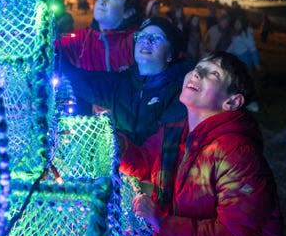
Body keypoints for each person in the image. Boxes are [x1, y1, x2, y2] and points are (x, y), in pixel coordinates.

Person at [124, 52, 282, 236]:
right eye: (198, 67)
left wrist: (161, 222)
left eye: (214, 73)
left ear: (231, 102)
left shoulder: (236, 153)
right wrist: (119, 146)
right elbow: (145, 161)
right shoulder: (177, 132)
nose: (197, 73)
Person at [59, 17, 192, 149]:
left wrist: (118, 143)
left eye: (156, 38)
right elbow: (78, 81)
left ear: (170, 54)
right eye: (141, 36)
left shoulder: (179, 91)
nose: (146, 41)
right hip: (121, 164)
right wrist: (48, 50)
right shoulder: (122, 82)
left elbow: (159, 145)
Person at [56, 0, 143, 114]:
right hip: (88, 125)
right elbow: (52, 45)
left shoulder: (138, 41)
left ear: (128, 12)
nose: (102, 1)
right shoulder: (81, 39)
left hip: (128, 126)